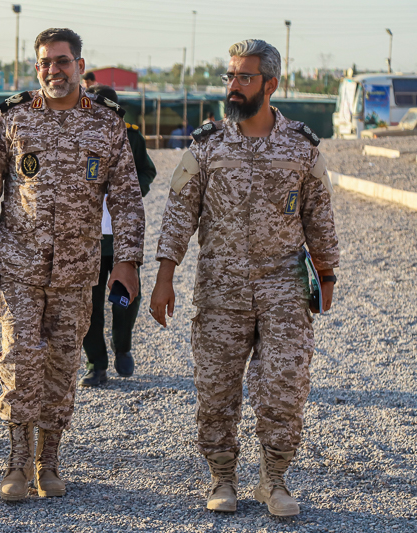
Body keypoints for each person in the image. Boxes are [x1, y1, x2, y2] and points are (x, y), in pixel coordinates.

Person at [149, 39, 339, 517]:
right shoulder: (207, 145)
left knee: (285, 386)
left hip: (284, 289)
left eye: (244, 77)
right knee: (216, 389)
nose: (233, 86)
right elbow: (179, 215)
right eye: (230, 76)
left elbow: (319, 216)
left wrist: (327, 274)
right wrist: (164, 277)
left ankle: (274, 479)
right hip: (221, 289)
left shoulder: (301, 146)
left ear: (270, 85)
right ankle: (222, 477)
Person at [0, 28, 145, 502]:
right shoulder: (14, 118)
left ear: (80, 66)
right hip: (20, 266)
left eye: (63, 61)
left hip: (76, 271)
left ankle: (48, 462)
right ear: (37, 68)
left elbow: (127, 199)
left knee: (63, 366)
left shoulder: (107, 124)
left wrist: (127, 261)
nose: (54, 70)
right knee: (18, 361)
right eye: (46, 62)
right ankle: (16, 462)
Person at [80, 84, 156, 386]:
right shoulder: (78, 138)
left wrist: (129, 191)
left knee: (124, 298)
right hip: (88, 237)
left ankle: (122, 346)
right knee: (88, 305)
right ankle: (96, 363)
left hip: (120, 235)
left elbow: (147, 171)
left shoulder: (131, 137)